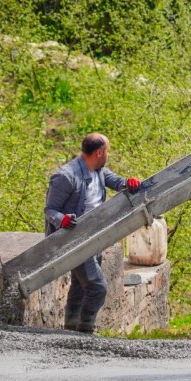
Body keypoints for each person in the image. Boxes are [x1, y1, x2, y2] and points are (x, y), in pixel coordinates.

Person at [44, 133, 141, 334]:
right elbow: (50, 210)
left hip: (94, 237)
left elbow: (116, 181)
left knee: (80, 286)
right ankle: (85, 330)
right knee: (98, 287)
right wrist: (61, 220)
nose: (109, 154)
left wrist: (128, 183)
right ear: (99, 153)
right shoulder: (66, 176)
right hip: (74, 240)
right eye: (107, 151)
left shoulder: (98, 170)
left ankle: (71, 328)